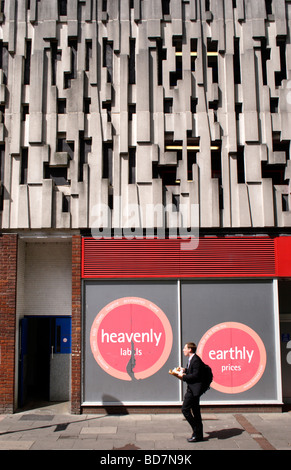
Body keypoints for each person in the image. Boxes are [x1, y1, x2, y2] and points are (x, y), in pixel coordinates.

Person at [177, 342, 204, 442]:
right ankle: (199, 435)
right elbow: (192, 371)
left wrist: (182, 376)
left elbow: (196, 376)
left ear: (190, 350)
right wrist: (185, 370)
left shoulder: (196, 360)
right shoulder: (192, 359)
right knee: (196, 412)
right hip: (193, 390)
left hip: (193, 391)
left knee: (185, 409)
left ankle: (196, 431)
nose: (183, 350)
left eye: (185, 348)